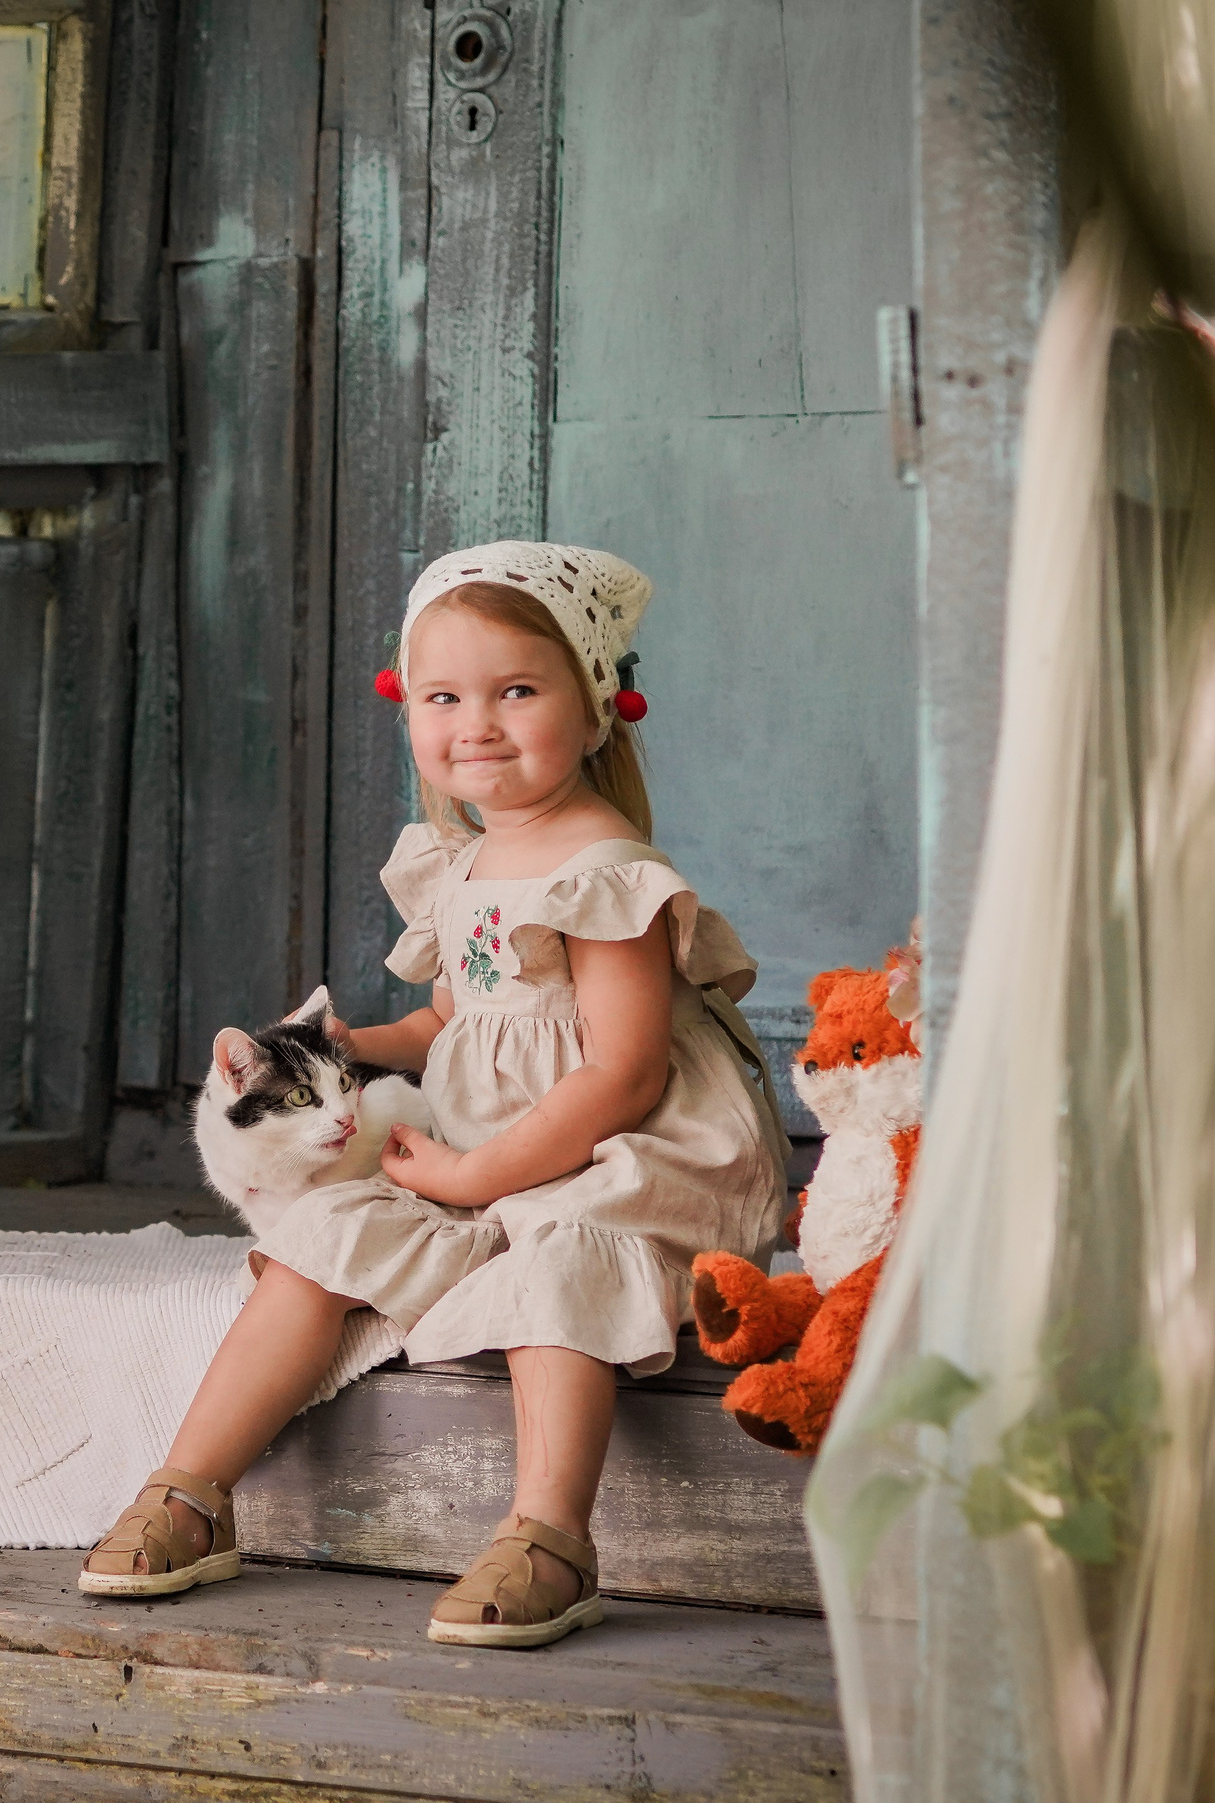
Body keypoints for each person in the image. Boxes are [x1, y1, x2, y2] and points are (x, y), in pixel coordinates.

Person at [77, 541, 789, 1647]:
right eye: (444, 696)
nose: (478, 724)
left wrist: (471, 1174)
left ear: (598, 710)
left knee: (561, 1251)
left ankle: (549, 1531)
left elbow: (623, 1070)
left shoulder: (607, 871)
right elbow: (461, 1016)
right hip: (488, 1141)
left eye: (517, 691)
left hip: (622, 1152)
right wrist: (369, 1040)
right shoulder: (458, 867)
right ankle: (192, 1488)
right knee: (323, 1231)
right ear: (406, 709)